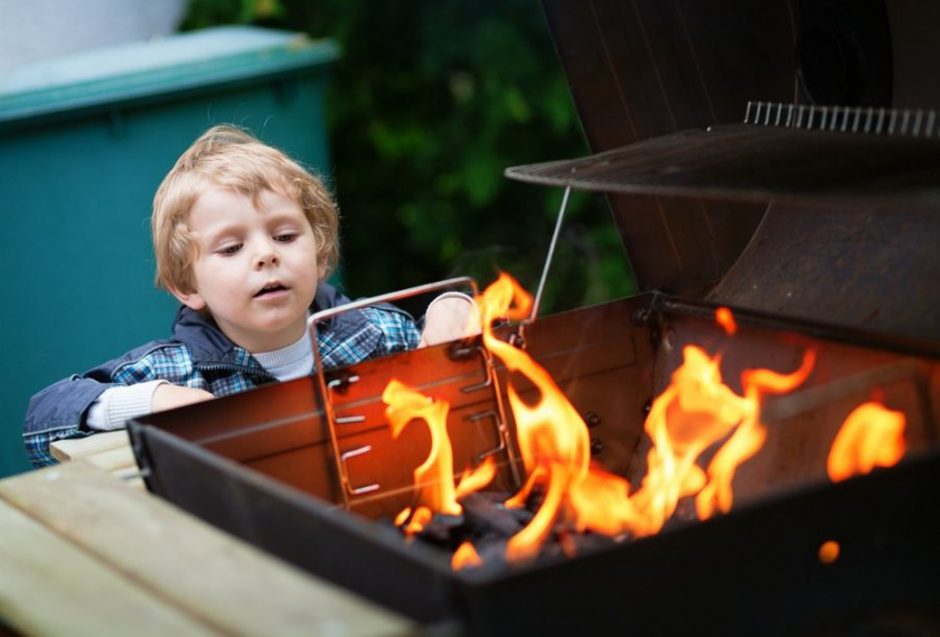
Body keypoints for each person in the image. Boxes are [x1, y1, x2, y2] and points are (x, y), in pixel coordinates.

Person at [23, 124, 477, 468]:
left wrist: (451, 307)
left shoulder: (371, 334)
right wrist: (155, 401)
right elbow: (42, 423)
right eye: (232, 247)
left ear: (320, 256)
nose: (265, 255)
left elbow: (467, 354)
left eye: (284, 235)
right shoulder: (178, 371)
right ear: (188, 285)